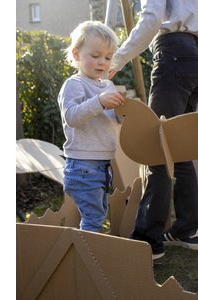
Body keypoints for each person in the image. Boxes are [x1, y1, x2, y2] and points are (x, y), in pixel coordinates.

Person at [109, 0, 198, 259]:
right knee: (178, 146)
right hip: (197, 58)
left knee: (155, 145)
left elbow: (152, 18)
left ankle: (148, 239)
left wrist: (119, 58)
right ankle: (188, 229)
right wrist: (197, 53)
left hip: (174, 53)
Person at [57, 21, 125, 232]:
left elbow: (111, 120)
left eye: (107, 57)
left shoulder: (107, 86)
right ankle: (87, 259)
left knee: (97, 213)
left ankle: (88, 256)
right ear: (77, 55)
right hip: (83, 164)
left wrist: (124, 114)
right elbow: (72, 117)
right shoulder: (74, 84)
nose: (102, 62)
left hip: (103, 162)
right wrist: (100, 102)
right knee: (94, 218)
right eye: (95, 56)